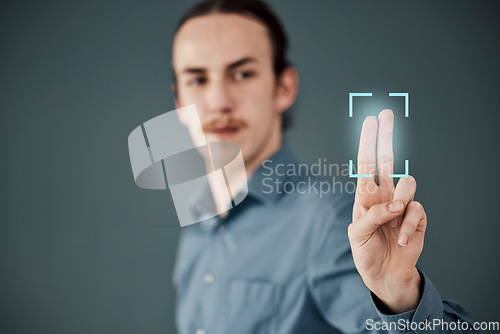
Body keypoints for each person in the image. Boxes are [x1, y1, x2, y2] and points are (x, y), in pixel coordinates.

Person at [170, 0, 478, 333]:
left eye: (242, 73)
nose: (218, 102)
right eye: (197, 80)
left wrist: (397, 294)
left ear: (283, 87)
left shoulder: (329, 222)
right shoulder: (198, 228)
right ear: (178, 101)